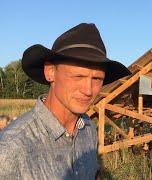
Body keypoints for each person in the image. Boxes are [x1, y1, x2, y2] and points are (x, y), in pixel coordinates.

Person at [0, 23, 131, 179]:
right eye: (78, 76)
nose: (88, 90)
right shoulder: (12, 147)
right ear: (50, 72)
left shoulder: (88, 128)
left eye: (97, 78)